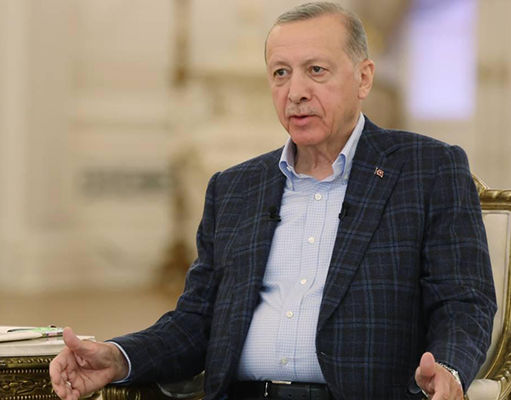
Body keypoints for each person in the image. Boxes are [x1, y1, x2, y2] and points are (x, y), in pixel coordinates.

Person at [50, 3, 496, 399]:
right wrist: (118, 356)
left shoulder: (426, 169)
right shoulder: (235, 188)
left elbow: (464, 302)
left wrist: (449, 368)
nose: (295, 91)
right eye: (281, 73)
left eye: (315, 70)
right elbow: (195, 323)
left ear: (363, 78)